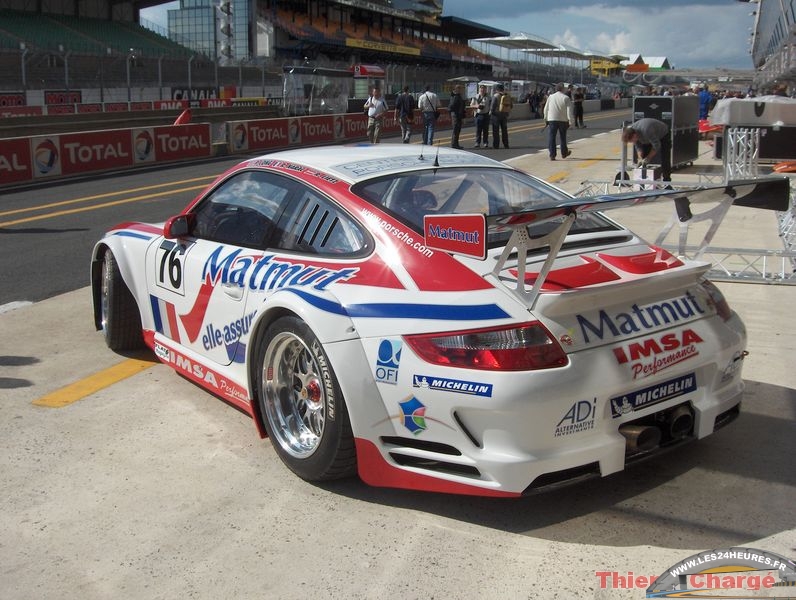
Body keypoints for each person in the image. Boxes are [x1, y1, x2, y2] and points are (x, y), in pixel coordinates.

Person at [621, 118, 672, 183]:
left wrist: (648, 158)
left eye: (631, 141)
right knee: (644, 159)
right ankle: (645, 181)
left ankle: (667, 181)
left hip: (663, 134)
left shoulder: (647, 130)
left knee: (665, 158)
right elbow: (638, 147)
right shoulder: (632, 131)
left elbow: (657, 145)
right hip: (647, 137)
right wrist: (640, 158)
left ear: (634, 135)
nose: (632, 142)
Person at [543, 82, 573, 160]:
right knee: (563, 137)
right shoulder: (566, 98)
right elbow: (569, 111)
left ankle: (552, 155)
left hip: (552, 119)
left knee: (552, 137)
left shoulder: (551, 97)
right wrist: (570, 121)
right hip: (563, 120)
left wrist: (545, 119)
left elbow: (545, 109)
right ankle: (564, 153)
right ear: (563, 88)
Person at [490, 84, 511, 149]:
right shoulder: (507, 95)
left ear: (496, 89)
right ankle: (506, 144)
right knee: (504, 131)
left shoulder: (496, 96)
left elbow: (492, 107)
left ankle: (496, 145)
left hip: (496, 115)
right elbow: (511, 105)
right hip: (504, 115)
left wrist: (491, 113)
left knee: (496, 131)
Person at [470, 84, 490, 148]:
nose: (482, 90)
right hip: (478, 115)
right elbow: (471, 105)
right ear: (479, 89)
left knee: (485, 130)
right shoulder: (476, 96)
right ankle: (477, 142)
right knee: (478, 130)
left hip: (486, 114)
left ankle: (485, 142)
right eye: (481, 89)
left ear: (486, 90)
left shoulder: (489, 97)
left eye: (484, 89)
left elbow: (491, 105)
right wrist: (477, 106)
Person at [448, 84, 465, 149]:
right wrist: (455, 112)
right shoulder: (455, 96)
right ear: (457, 89)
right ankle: (454, 144)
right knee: (456, 130)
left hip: (458, 115)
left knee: (457, 130)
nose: (461, 90)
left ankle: (456, 144)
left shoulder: (458, 96)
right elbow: (451, 106)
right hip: (456, 115)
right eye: (460, 89)